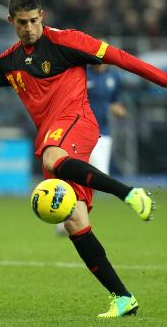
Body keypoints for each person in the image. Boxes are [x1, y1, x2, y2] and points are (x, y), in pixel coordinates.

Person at [0, 0, 167, 318]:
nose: (28, 28)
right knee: (73, 220)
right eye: (21, 23)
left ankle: (128, 193)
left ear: (42, 15)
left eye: (33, 21)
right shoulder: (10, 61)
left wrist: (166, 81)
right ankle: (123, 298)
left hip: (77, 121)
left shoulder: (68, 41)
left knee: (51, 159)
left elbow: (120, 57)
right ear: (10, 21)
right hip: (51, 136)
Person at [56, 63, 126, 234]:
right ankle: (63, 220)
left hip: (103, 134)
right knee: (74, 175)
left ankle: (76, 216)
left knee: (98, 177)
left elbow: (114, 101)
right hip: (79, 132)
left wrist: (119, 109)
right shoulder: (82, 73)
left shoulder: (114, 77)